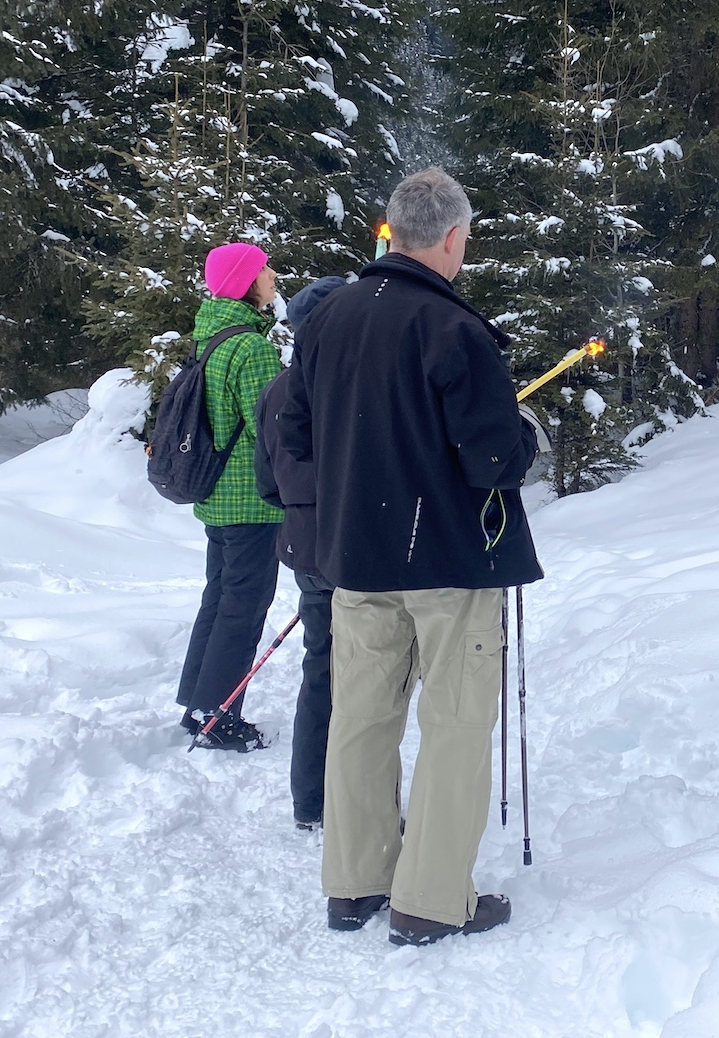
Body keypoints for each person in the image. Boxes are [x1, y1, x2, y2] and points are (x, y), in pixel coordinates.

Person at [278, 168, 544, 946]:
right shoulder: (453, 329)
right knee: (456, 721)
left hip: (359, 556)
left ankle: (354, 883)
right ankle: (430, 898)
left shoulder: (328, 320)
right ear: (455, 237)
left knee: (361, 718)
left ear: (392, 231)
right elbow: (495, 459)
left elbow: (293, 435)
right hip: (448, 561)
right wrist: (522, 432)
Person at [175, 242, 285, 752]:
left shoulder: (210, 333)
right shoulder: (253, 349)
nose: (274, 276)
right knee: (243, 608)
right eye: (265, 269)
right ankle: (219, 718)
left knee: (218, 599)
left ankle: (197, 707)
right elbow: (275, 430)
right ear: (246, 281)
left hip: (215, 496)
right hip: (250, 502)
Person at [253, 275, 344, 828]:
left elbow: (268, 483)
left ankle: (311, 801)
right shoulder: (346, 388)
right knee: (356, 680)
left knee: (322, 672)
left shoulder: (279, 389)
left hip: (305, 547)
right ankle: (336, 804)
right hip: (347, 549)